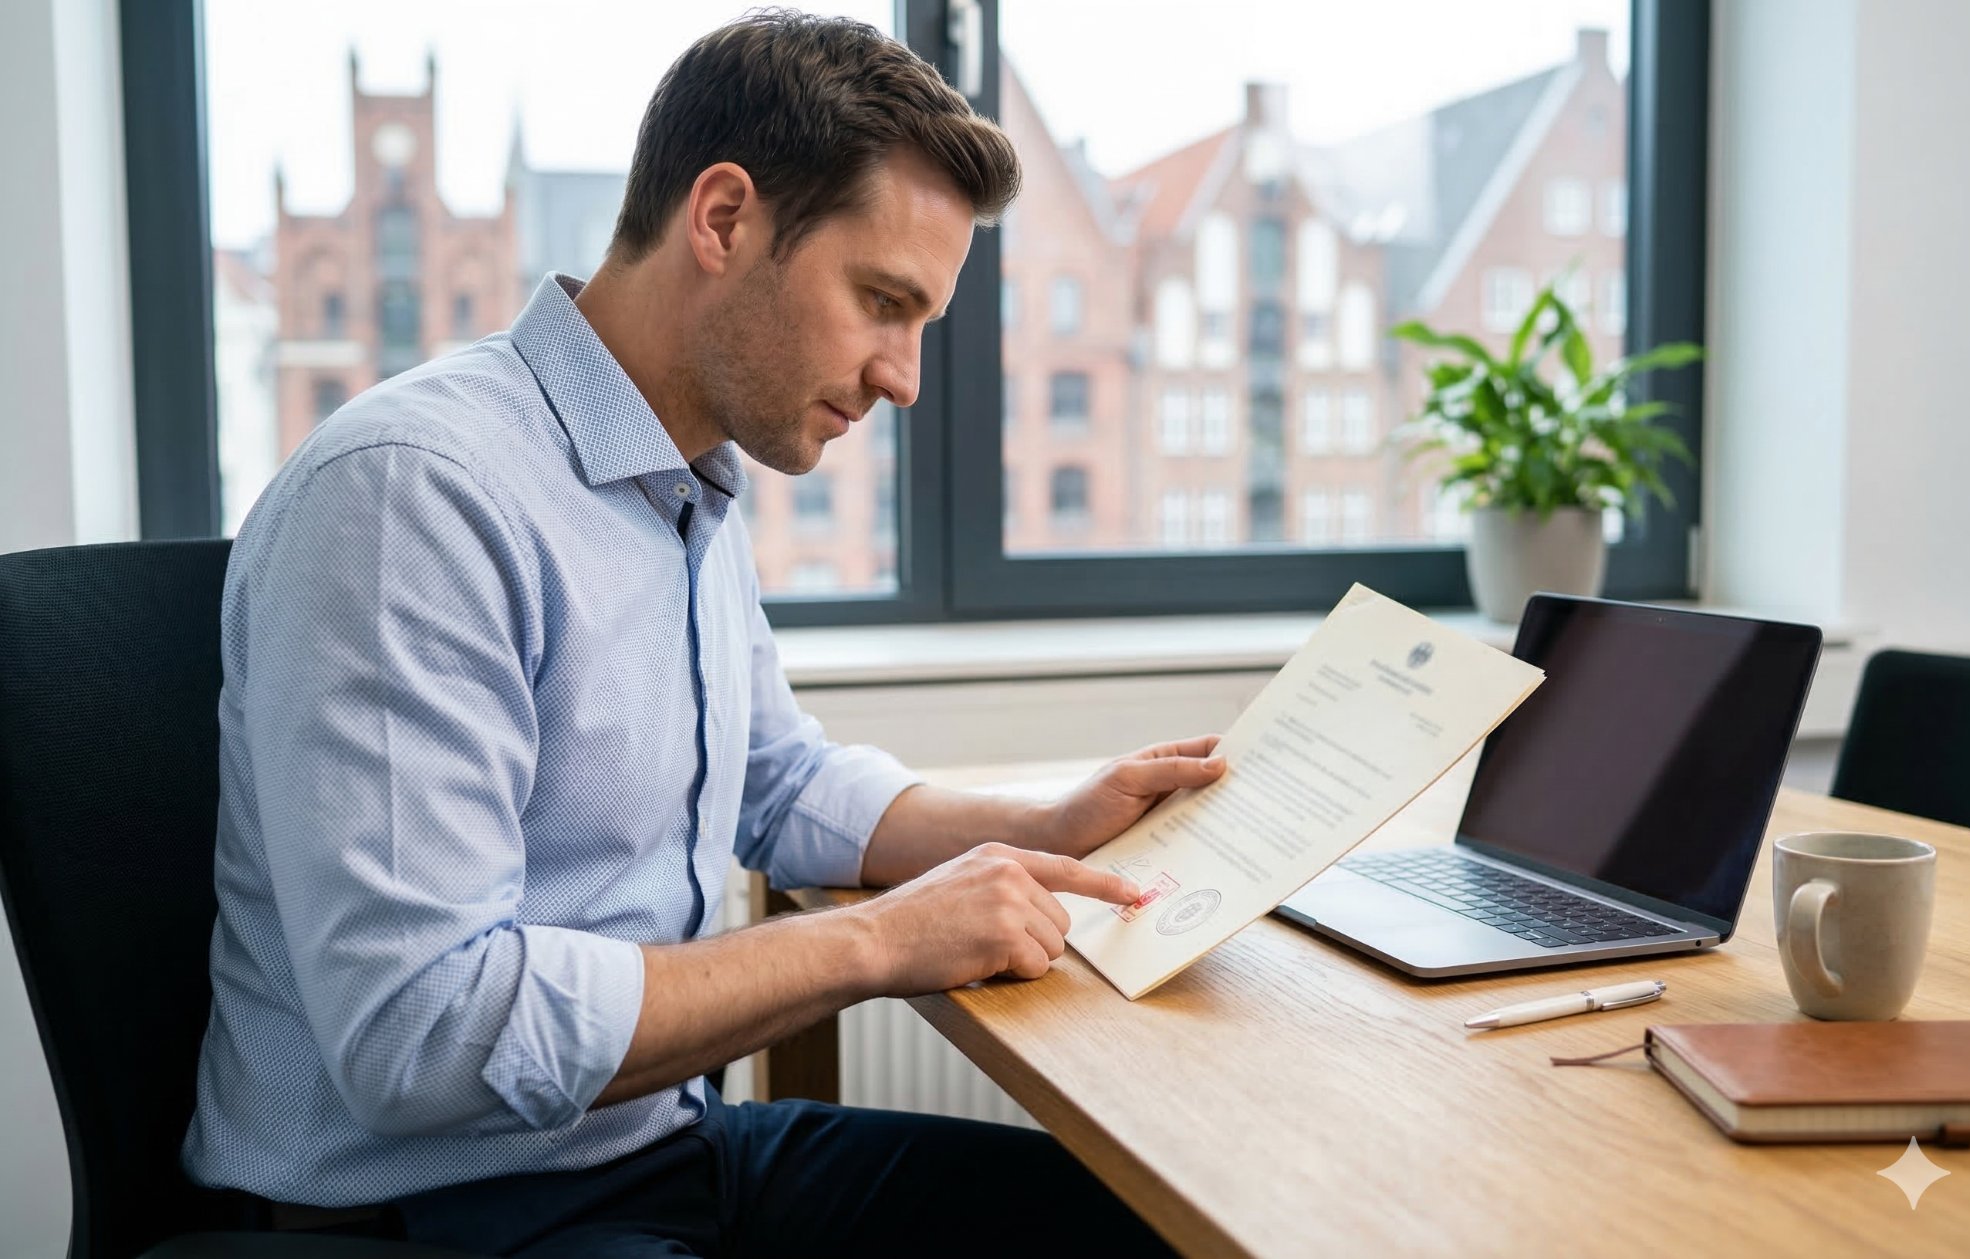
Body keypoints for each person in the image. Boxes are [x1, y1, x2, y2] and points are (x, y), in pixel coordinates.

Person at [184, 11, 1222, 1256]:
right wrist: (878, 939)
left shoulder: (687, 482)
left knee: (1150, 1225)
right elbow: (424, 1031)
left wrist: (1041, 821)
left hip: (656, 1147)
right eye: (881, 302)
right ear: (722, 219)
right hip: (426, 1215)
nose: (904, 378)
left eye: (923, 325)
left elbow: (779, 783)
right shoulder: (416, 493)